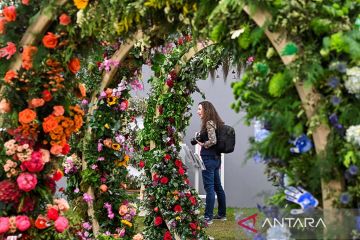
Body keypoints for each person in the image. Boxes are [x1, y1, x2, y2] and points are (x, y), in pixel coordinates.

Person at [192, 101, 227, 225]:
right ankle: (222, 214)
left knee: (210, 188)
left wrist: (202, 144)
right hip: (216, 159)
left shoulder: (209, 122)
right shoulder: (216, 122)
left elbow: (212, 140)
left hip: (209, 159)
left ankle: (208, 217)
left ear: (206, 110)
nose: (197, 111)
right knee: (217, 187)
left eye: (199, 109)